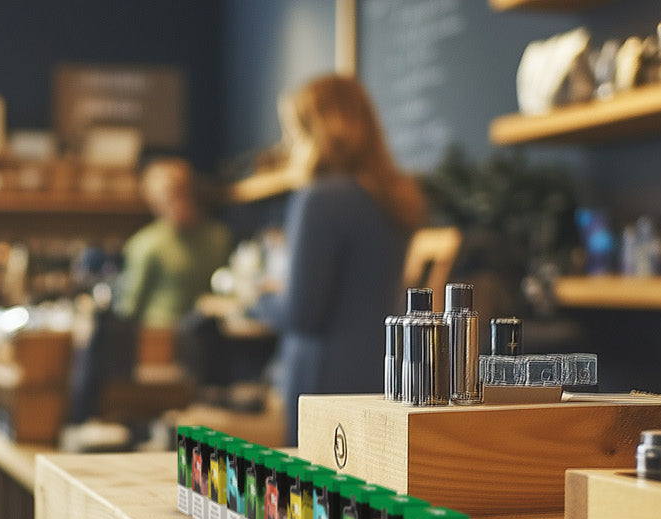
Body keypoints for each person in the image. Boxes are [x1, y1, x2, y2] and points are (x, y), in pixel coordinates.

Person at [259, 75, 427, 445]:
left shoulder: (320, 200)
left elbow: (303, 315)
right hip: (380, 373)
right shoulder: (395, 198)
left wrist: (259, 299)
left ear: (312, 131)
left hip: (323, 383)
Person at [112, 159, 232, 328]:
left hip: (206, 334)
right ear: (155, 204)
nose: (176, 206)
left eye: (181, 196)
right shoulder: (145, 245)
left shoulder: (218, 237)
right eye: (166, 201)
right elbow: (128, 308)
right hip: (158, 339)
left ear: (192, 194)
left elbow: (228, 289)